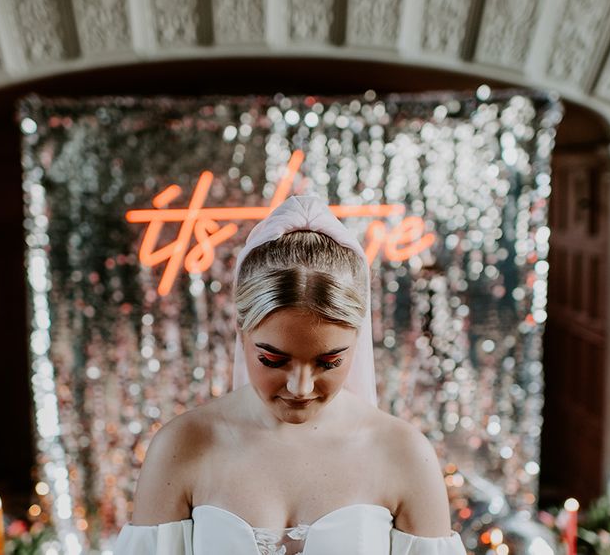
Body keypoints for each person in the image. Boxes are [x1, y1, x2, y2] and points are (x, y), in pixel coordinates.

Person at [114, 196, 466, 554]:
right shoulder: (183, 446)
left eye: (328, 362)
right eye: (272, 360)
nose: (301, 387)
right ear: (241, 331)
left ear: (357, 341)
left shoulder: (404, 454)